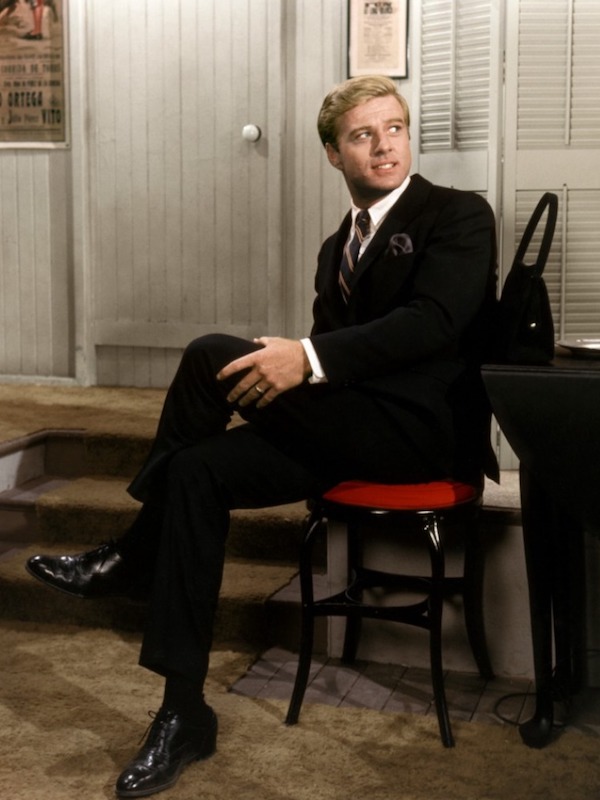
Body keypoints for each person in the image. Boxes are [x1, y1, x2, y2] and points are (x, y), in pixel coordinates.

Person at [27, 75, 498, 797]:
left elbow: (434, 323)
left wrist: (303, 358)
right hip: (347, 429)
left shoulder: (459, 215)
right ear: (332, 154)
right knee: (196, 474)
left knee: (210, 353)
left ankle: (131, 556)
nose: (384, 145)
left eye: (394, 128)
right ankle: (183, 712)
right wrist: (303, 368)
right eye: (362, 135)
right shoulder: (336, 244)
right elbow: (340, 363)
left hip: (419, 436)